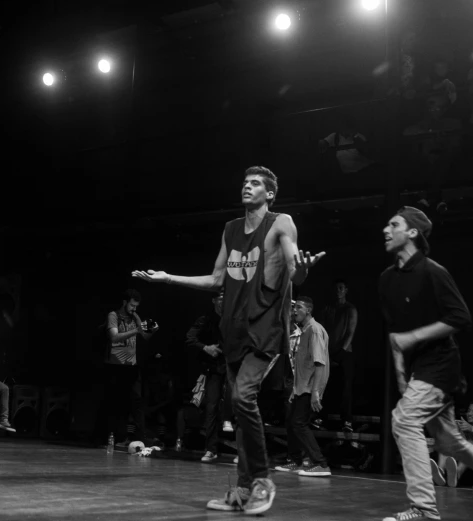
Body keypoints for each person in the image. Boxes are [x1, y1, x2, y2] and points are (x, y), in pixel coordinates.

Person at [133, 166, 324, 515]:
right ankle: (242, 489)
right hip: (233, 331)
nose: (247, 187)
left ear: (269, 194)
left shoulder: (281, 222)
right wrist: (168, 279)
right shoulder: (231, 230)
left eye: (255, 184)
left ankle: (262, 479)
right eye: (245, 183)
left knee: (242, 395)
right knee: (237, 409)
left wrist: (304, 268)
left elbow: (294, 268)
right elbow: (217, 278)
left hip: (265, 329)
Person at [379, 206, 473, 521]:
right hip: (419, 369)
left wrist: (414, 337)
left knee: (403, 421)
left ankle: (424, 508)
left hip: (442, 364)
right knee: (451, 443)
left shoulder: (433, 271)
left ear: (413, 232)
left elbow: (461, 317)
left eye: (394, 224)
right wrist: (402, 373)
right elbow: (395, 335)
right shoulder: (387, 280)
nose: (386, 230)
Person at [275, 296, 331, 477]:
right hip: (302, 387)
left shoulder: (314, 330)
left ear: (308, 310)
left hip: (310, 388)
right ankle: (297, 460)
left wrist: (315, 392)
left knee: (299, 423)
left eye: (298, 308)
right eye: (294, 308)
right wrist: (295, 389)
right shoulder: (305, 331)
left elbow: (319, 363)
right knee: (293, 422)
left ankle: (320, 463)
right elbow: (302, 365)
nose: (294, 311)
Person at [103, 289, 159, 446]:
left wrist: (152, 331)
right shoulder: (113, 315)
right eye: (132, 305)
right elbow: (114, 337)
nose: (134, 309)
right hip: (115, 367)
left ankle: (139, 437)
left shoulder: (135, 317)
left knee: (137, 403)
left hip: (131, 367)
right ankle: (114, 437)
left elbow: (144, 336)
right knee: (116, 403)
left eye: (136, 306)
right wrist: (137, 329)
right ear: (124, 303)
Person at [185, 292, 232, 463]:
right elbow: (190, 338)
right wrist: (206, 348)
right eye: (219, 299)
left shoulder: (233, 317)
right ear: (214, 301)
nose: (222, 303)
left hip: (233, 367)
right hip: (214, 368)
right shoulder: (206, 319)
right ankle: (211, 449)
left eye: (224, 299)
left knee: (238, 404)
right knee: (211, 407)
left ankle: (242, 451)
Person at [318, 279, 358, 433]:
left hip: (344, 353)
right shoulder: (328, 308)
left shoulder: (350, 309)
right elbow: (321, 330)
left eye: (341, 288)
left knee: (345, 387)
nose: (338, 290)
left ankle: (347, 421)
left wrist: (341, 351)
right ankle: (321, 417)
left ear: (346, 290)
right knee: (323, 386)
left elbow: (350, 332)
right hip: (328, 352)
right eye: (336, 288)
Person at [431, 400, 473, 488]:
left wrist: (472, 429)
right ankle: (440, 472)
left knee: (470, 443)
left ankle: (457, 474)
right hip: (456, 460)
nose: (469, 414)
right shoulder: (461, 426)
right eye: (469, 410)